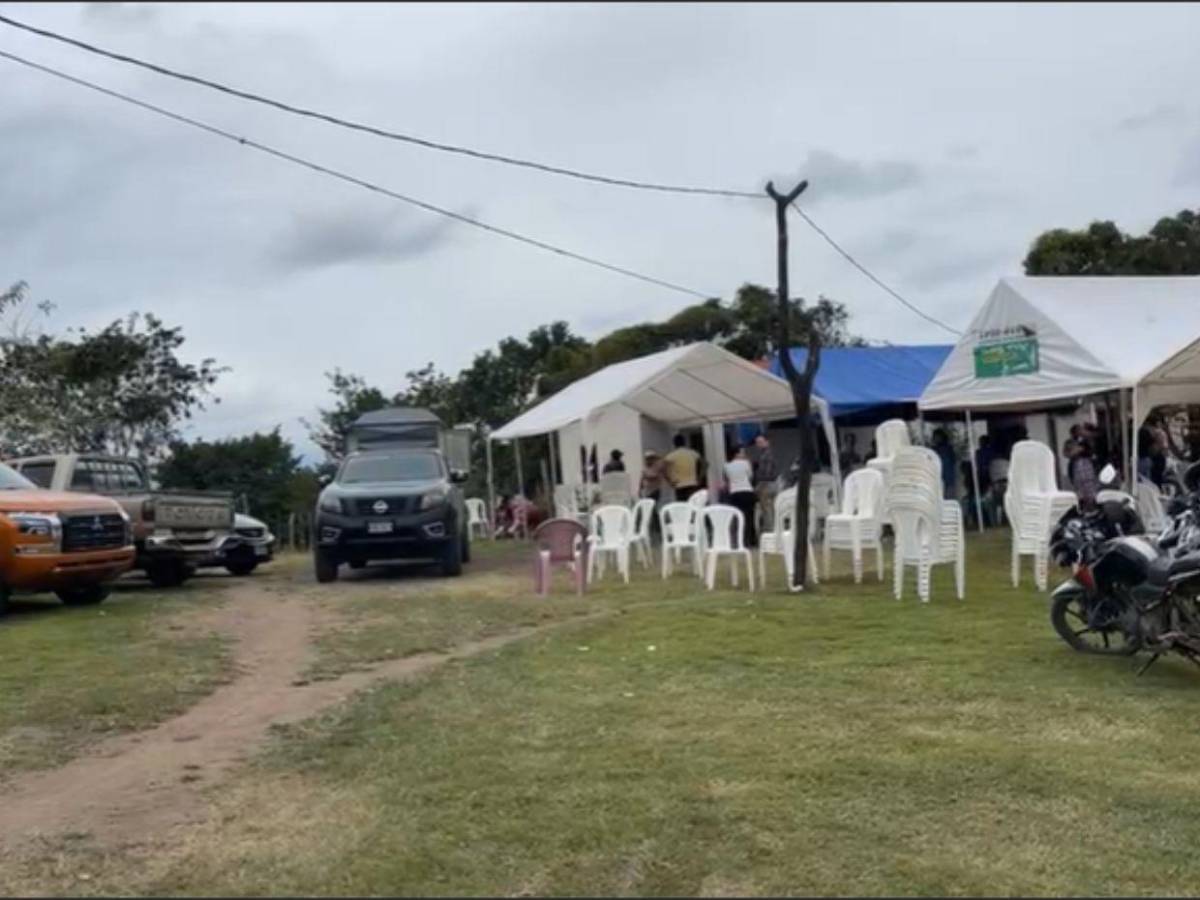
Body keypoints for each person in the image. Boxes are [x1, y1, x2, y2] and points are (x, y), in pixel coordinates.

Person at [723, 445, 757, 547]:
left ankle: (739, 540)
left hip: (735, 493)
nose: (743, 454)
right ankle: (751, 540)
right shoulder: (746, 463)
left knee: (738, 517)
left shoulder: (726, 466)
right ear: (737, 454)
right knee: (750, 517)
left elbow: (726, 480)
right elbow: (750, 476)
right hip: (747, 491)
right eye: (741, 452)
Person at [664, 434, 703, 502]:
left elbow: (663, 469)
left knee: (682, 505)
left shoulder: (672, 455)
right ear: (684, 443)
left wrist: (670, 481)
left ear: (674, 444)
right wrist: (699, 477)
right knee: (693, 503)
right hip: (692, 483)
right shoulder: (693, 453)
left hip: (679, 484)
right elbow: (703, 464)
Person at [752, 433, 779, 531]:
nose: (758, 445)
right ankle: (774, 529)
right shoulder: (767, 454)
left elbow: (766, 473)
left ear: (767, 442)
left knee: (767, 510)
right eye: (757, 443)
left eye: (760, 442)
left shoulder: (766, 455)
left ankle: (770, 529)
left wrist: (759, 485)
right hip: (772, 484)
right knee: (772, 508)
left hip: (766, 485)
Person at [932, 428, 957, 500]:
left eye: (937, 437)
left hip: (948, 478)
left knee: (948, 498)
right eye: (934, 437)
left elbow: (953, 461)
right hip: (937, 477)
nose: (935, 439)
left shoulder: (948, 449)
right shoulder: (934, 449)